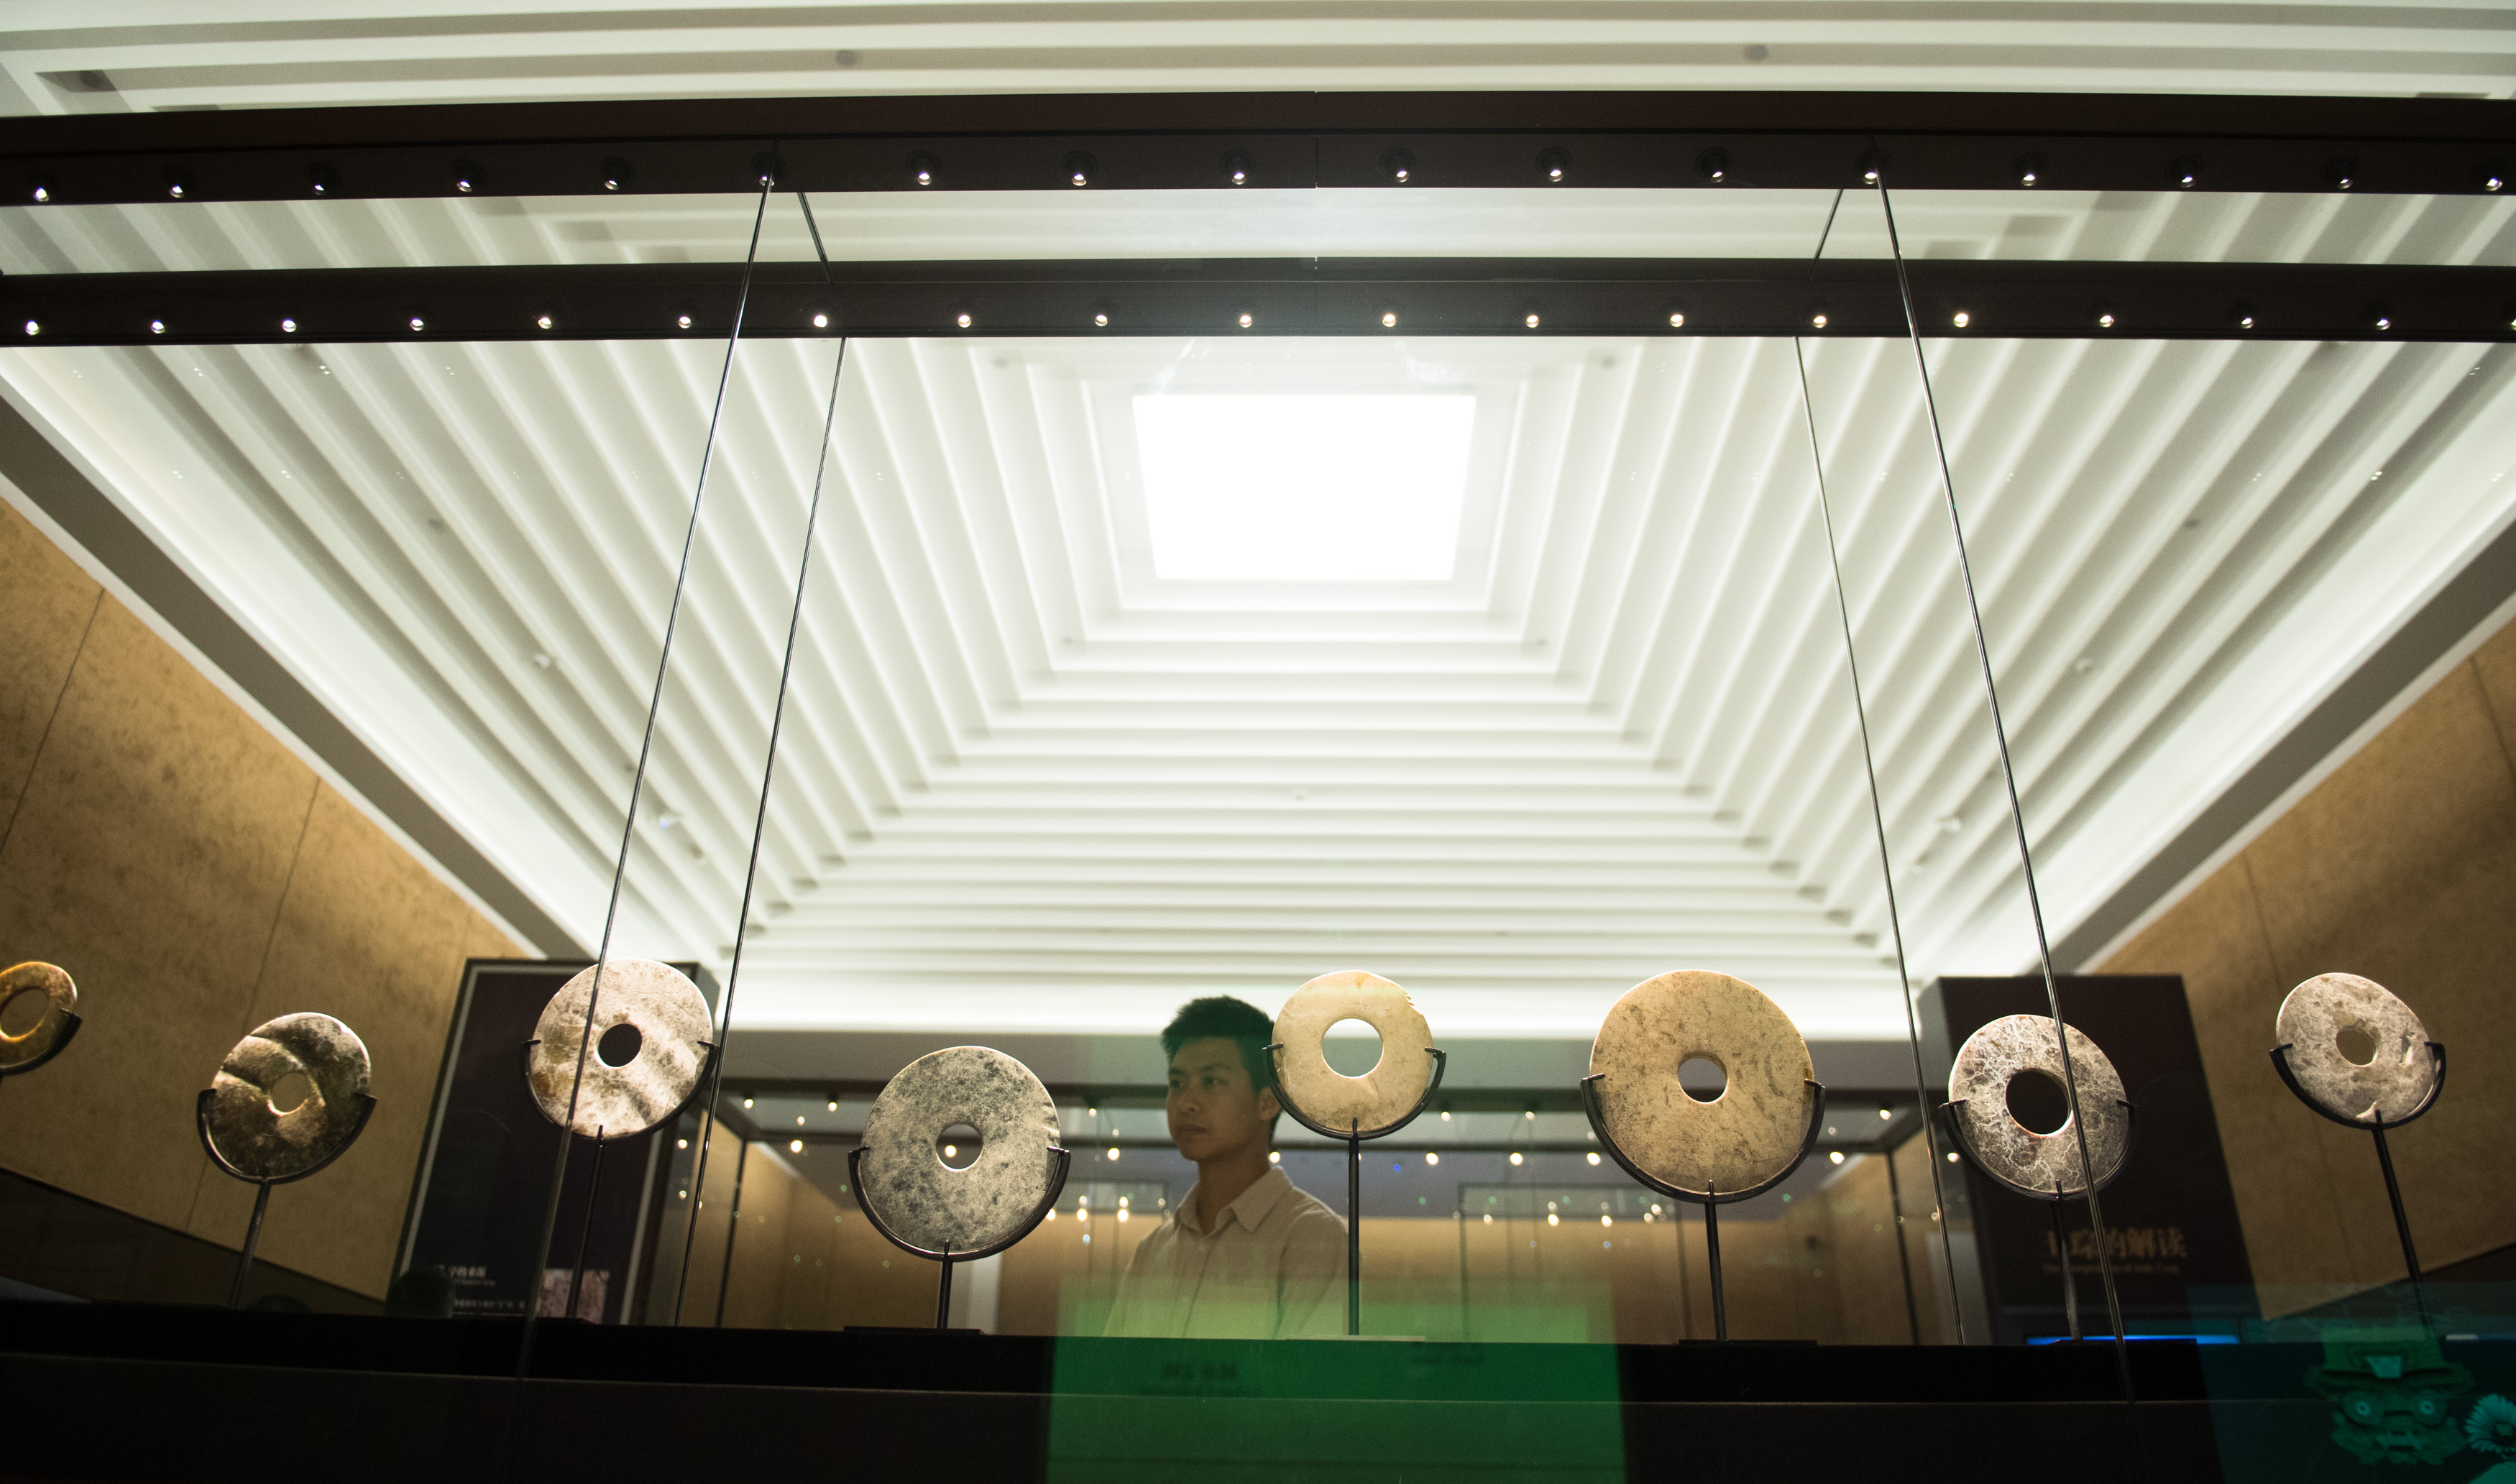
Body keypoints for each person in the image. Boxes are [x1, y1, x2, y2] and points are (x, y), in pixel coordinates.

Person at [1102, 995, 1346, 1339]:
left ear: (1267, 1102)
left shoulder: (1311, 1236)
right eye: (1177, 1084)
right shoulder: (1153, 1249)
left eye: (1212, 1081)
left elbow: (1307, 1372)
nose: (1186, 1103)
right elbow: (1115, 1369)